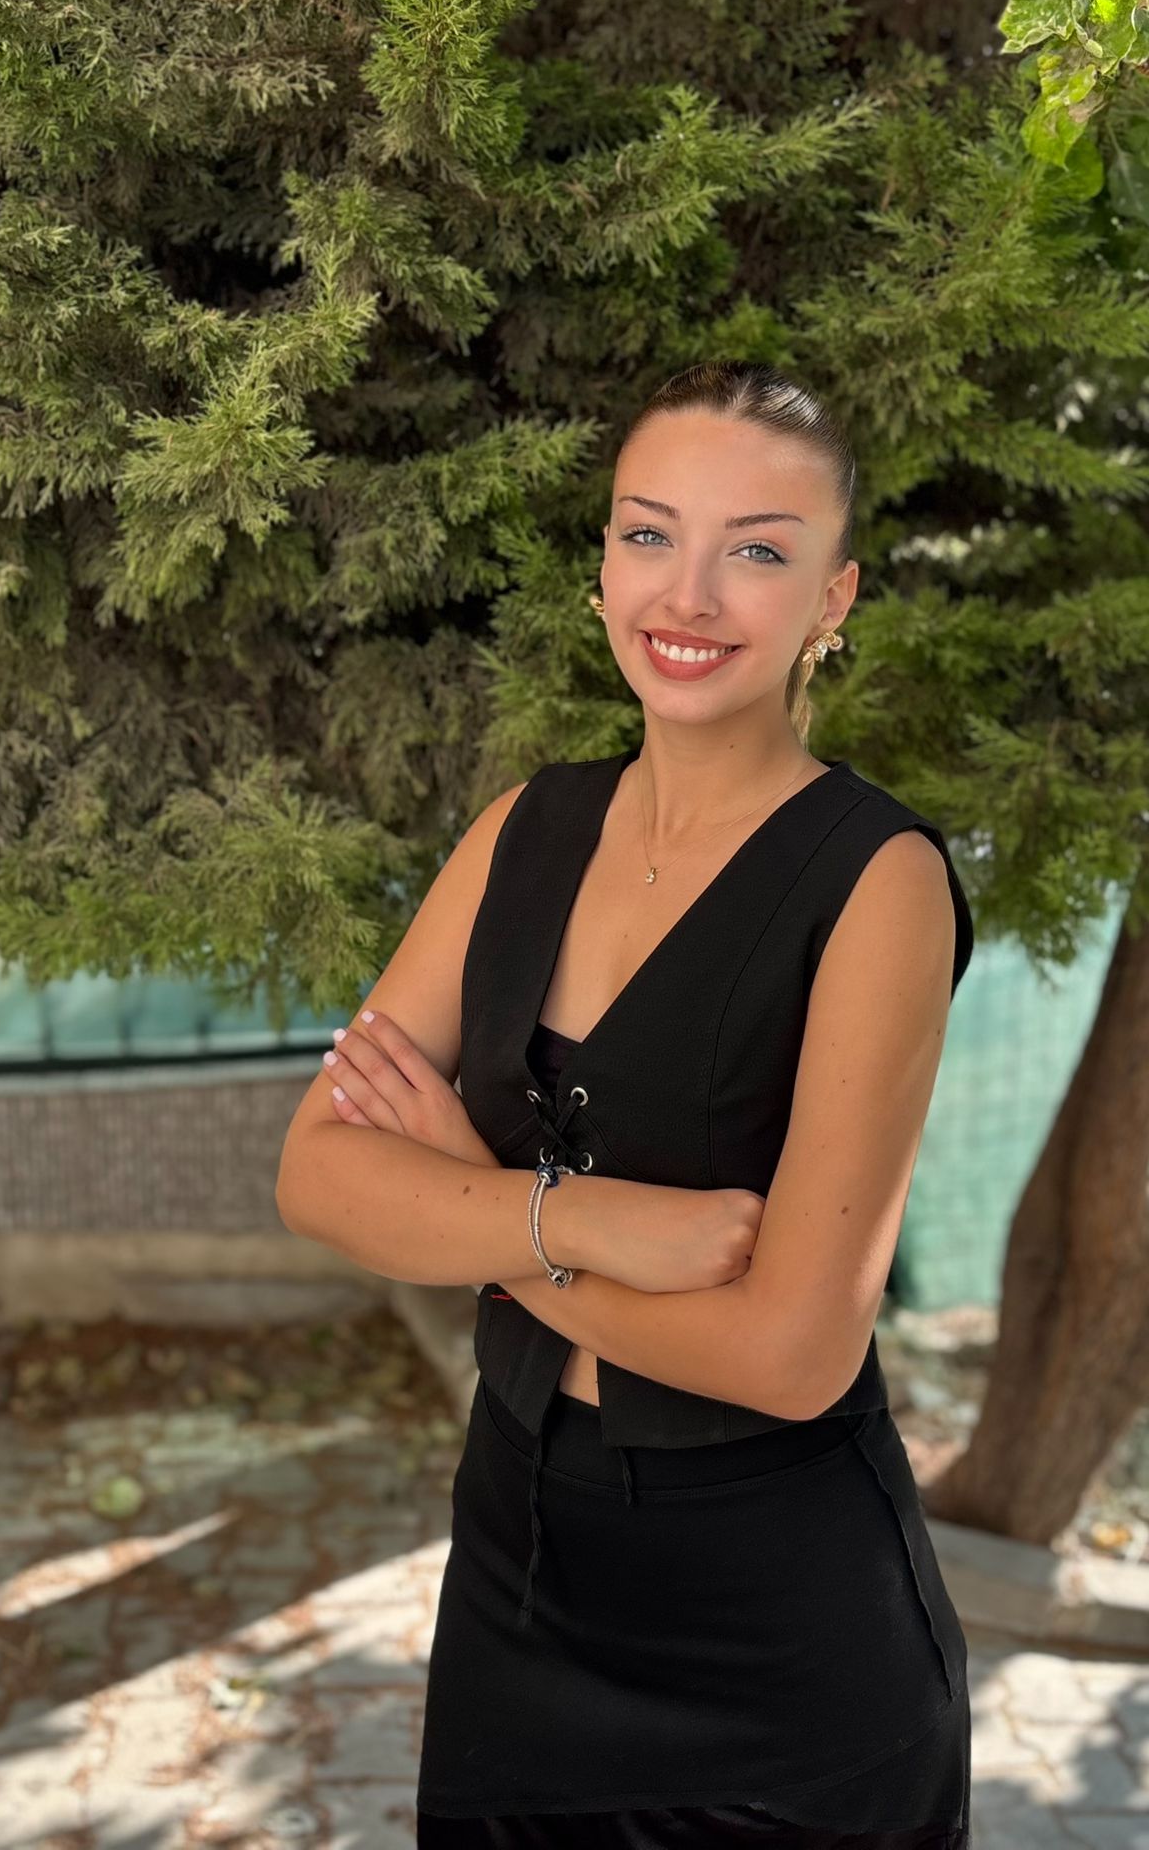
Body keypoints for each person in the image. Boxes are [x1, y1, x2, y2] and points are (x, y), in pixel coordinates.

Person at [280, 361, 975, 1847]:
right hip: (516, 1577)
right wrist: (585, 1221)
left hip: (783, 1652)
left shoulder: (878, 881)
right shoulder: (521, 832)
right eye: (650, 533)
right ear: (602, 562)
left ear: (833, 598)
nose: (690, 594)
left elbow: (792, 1355)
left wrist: (476, 1215)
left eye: (758, 551)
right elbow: (318, 1174)